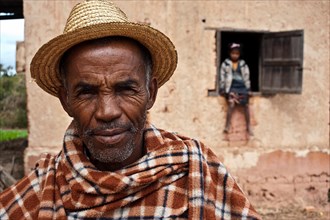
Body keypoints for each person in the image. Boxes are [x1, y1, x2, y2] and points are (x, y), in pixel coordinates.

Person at [0, 1, 260, 219]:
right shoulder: (44, 186)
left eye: (125, 89)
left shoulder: (195, 170)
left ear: (151, 93)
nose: (107, 111)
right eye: (87, 92)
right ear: (65, 100)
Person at [220, 43, 253, 136]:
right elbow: (222, 77)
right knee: (231, 103)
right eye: (233, 53)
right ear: (230, 53)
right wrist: (223, 88)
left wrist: (248, 89)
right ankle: (227, 126)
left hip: (242, 87)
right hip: (231, 87)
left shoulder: (243, 64)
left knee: (246, 106)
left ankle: (248, 126)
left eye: (237, 53)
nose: (235, 55)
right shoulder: (226, 64)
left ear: (239, 54)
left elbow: (246, 77)